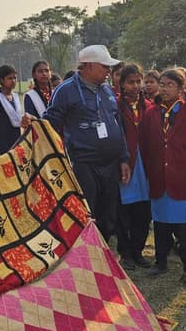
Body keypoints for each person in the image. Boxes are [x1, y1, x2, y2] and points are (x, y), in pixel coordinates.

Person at [26, 45, 129, 241]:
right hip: (84, 164)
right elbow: (50, 122)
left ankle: (102, 251)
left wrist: (123, 158)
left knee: (108, 216)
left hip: (111, 164)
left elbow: (118, 125)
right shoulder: (66, 90)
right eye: (104, 66)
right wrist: (33, 124)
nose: (109, 70)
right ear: (88, 66)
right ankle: (86, 253)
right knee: (87, 213)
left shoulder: (107, 90)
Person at [138, 68, 186, 284]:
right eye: (162, 84)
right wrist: (152, 169)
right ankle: (160, 261)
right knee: (161, 223)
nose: (165, 89)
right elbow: (144, 145)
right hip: (158, 178)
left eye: (170, 85)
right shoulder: (150, 114)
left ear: (181, 88)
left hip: (182, 178)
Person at [115, 63, 153, 270]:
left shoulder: (149, 106)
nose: (136, 86)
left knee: (143, 212)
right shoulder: (114, 106)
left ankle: (138, 252)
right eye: (131, 82)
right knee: (124, 211)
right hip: (126, 164)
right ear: (122, 84)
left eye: (139, 81)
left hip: (145, 165)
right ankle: (126, 253)